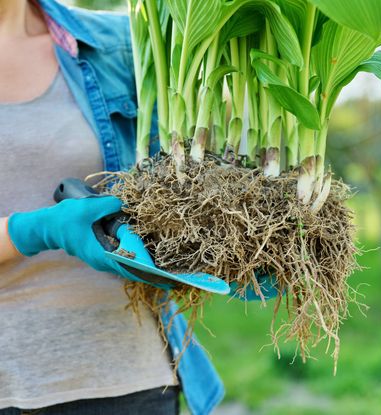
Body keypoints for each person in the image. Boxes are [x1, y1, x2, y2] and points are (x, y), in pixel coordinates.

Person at [0, 0, 226, 414]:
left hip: (130, 379)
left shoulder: (117, 44)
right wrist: (33, 231)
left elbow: (174, 174)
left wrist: (228, 245)